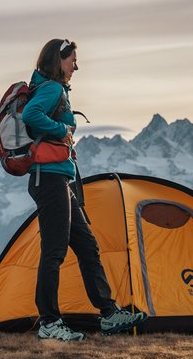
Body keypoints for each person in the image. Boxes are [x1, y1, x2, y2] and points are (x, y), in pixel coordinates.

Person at [22, 38, 147, 341]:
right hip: (48, 179)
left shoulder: (53, 90)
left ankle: (107, 313)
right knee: (54, 251)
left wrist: (62, 141)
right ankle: (50, 322)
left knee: (87, 246)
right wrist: (61, 130)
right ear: (58, 60)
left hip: (58, 179)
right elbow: (30, 116)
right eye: (72, 60)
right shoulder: (51, 89)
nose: (76, 66)